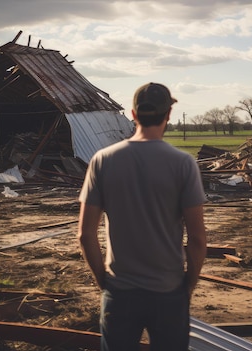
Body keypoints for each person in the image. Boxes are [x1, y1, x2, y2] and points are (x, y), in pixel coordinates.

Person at [77, 82, 207, 351]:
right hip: (168, 293)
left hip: (120, 292)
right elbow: (197, 239)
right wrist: (188, 288)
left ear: (134, 115)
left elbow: (86, 234)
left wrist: (105, 283)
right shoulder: (183, 164)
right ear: (168, 115)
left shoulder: (103, 160)